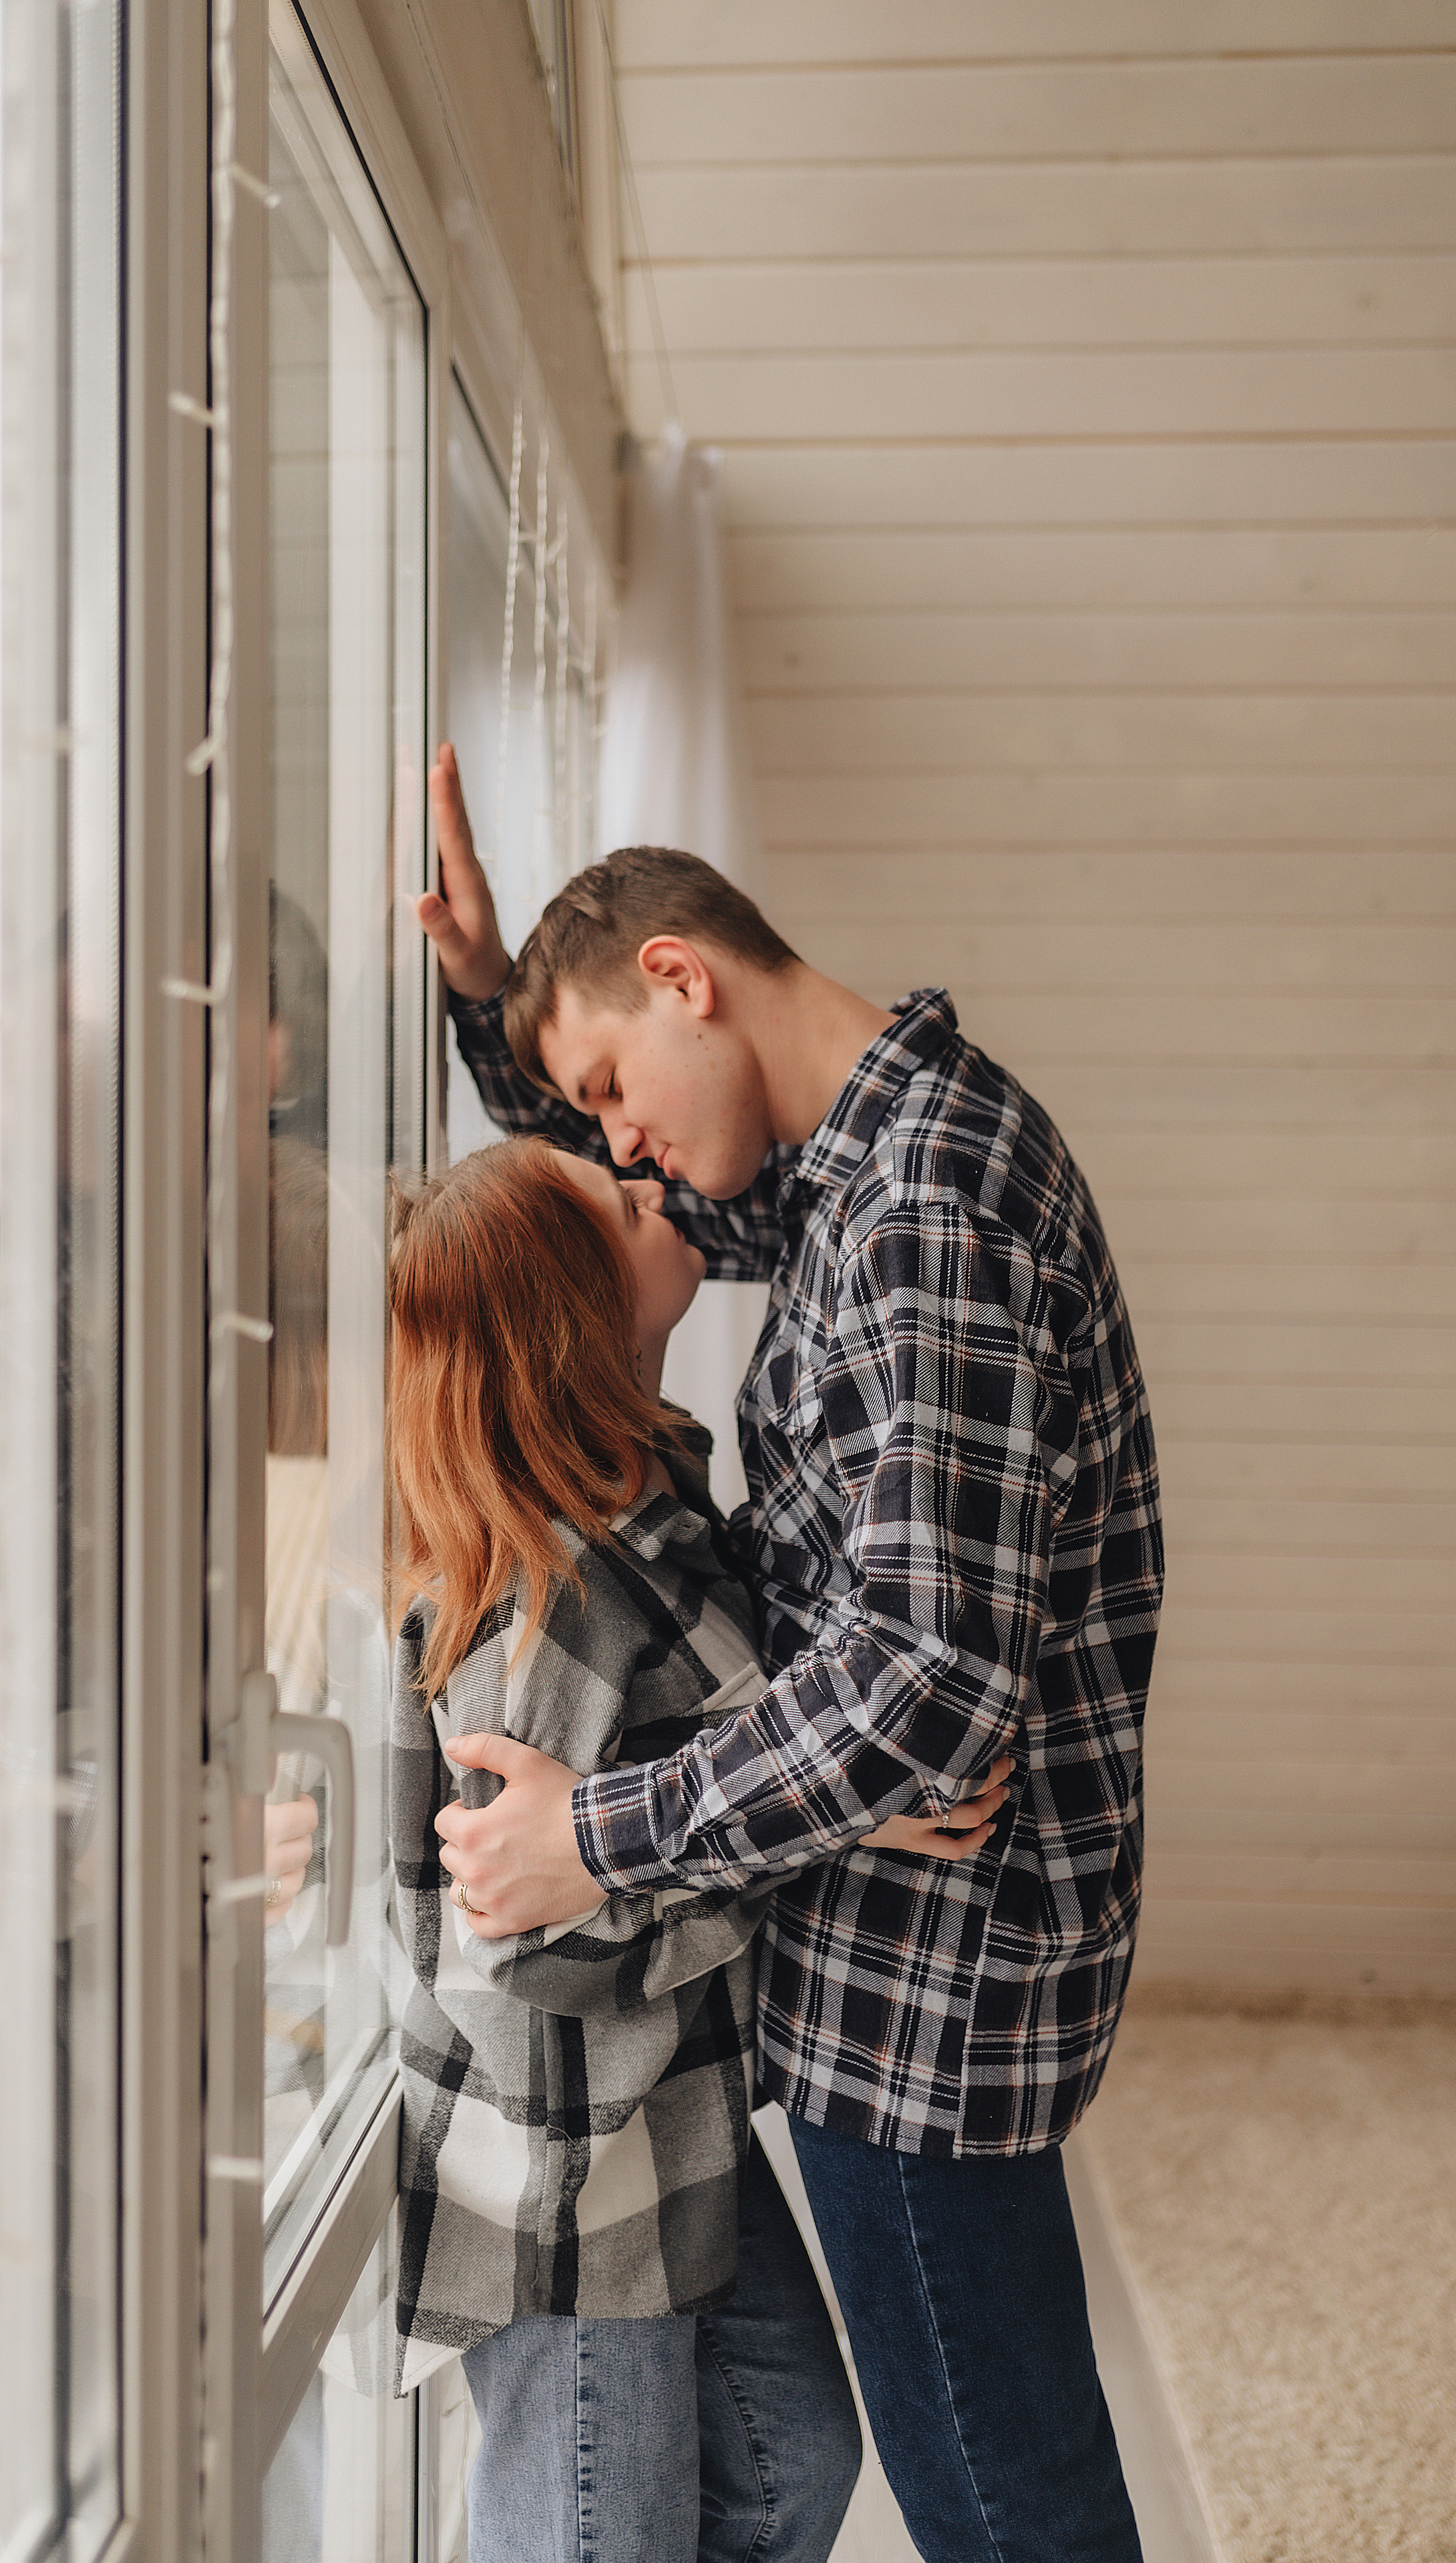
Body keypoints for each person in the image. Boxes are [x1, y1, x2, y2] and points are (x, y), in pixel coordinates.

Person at [417, 744, 1164, 2563]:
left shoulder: (923, 1214)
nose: (624, 1149)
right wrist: (491, 996)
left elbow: (919, 1686)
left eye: (610, 1091)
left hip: (936, 1976)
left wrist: (595, 1832)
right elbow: (639, 1227)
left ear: (685, 975)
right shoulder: (863, 1166)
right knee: (989, 2459)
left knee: (1005, 2496)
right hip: (901, 1940)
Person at [387, 1135, 1007, 2563]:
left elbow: (708, 1758)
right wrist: (822, 1824)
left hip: (667, 2134)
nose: (658, 1189)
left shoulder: (650, 1503)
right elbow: (531, 1931)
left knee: (790, 2458)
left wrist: (839, 1784)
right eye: (625, 1202)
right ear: (573, 1306)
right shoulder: (543, 1608)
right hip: (564, 2189)